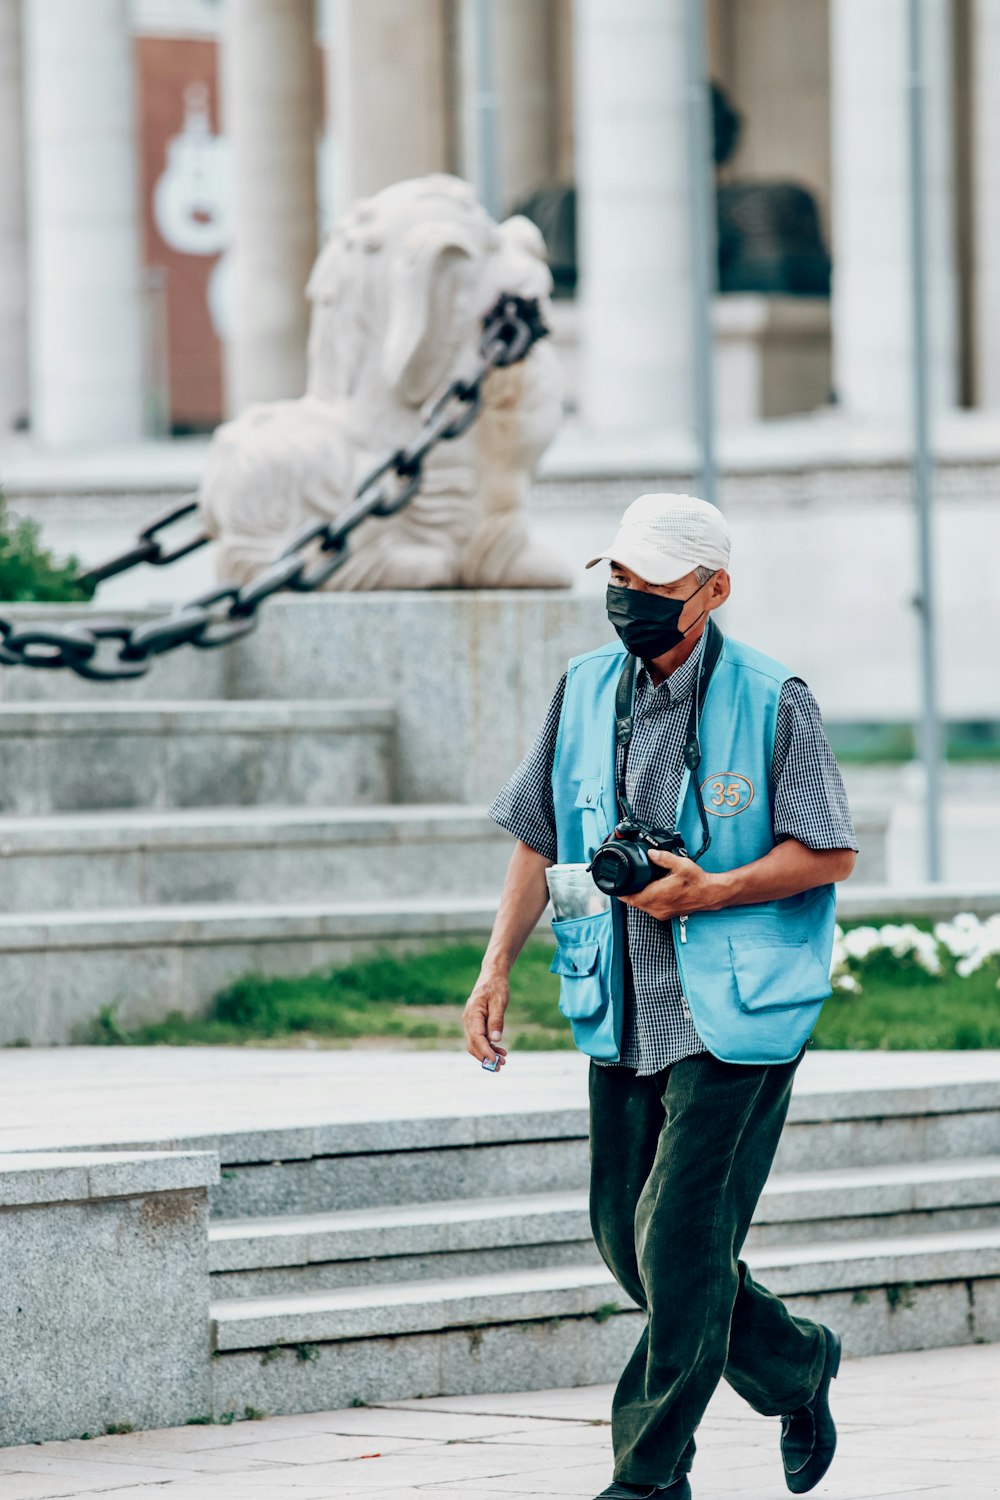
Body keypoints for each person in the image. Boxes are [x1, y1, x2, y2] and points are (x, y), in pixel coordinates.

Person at [463, 493, 858, 1500]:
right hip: (623, 1004)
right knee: (623, 1238)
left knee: (679, 1245)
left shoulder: (774, 698)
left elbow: (830, 850)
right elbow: (538, 831)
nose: (627, 597)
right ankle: (795, 1363)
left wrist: (712, 888)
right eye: (619, 577)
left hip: (737, 1013)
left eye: (650, 581)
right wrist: (495, 966)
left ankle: (646, 1481)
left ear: (713, 589)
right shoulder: (586, 686)